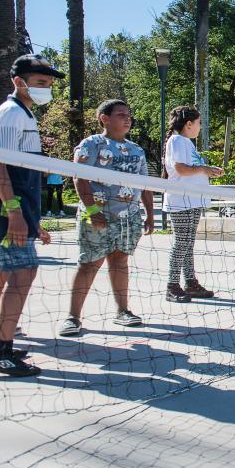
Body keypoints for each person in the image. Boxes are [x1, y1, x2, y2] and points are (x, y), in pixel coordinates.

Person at [58, 100, 154, 337]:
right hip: (97, 217)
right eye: (121, 114)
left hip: (128, 218)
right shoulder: (92, 144)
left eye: (129, 115)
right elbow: (79, 177)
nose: (127, 119)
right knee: (89, 264)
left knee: (120, 262)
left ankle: (123, 311)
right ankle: (73, 317)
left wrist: (150, 214)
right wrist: (92, 211)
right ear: (104, 118)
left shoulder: (136, 150)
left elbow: (146, 185)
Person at [0, 54, 60, 377]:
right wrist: (14, 214)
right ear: (18, 82)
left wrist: (33, 219)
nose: (45, 89)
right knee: (23, 273)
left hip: (21, 211)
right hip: (9, 213)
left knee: (7, 276)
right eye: (40, 83)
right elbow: (0, 165)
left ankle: (3, 341)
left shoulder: (24, 114)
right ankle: (2, 350)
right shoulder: (11, 114)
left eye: (48, 84)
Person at [162, 106, 224, 303]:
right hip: (181, 201)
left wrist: (207, 170)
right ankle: (172, 286)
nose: (200, 127)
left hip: (193, 201)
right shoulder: (178, 140)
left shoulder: (186, 143)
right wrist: (204, 169)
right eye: (199, 123)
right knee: (181, 243)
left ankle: (190, 282)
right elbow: (181, 169)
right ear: (188, 124)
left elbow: (192, 168)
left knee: (188, 244)